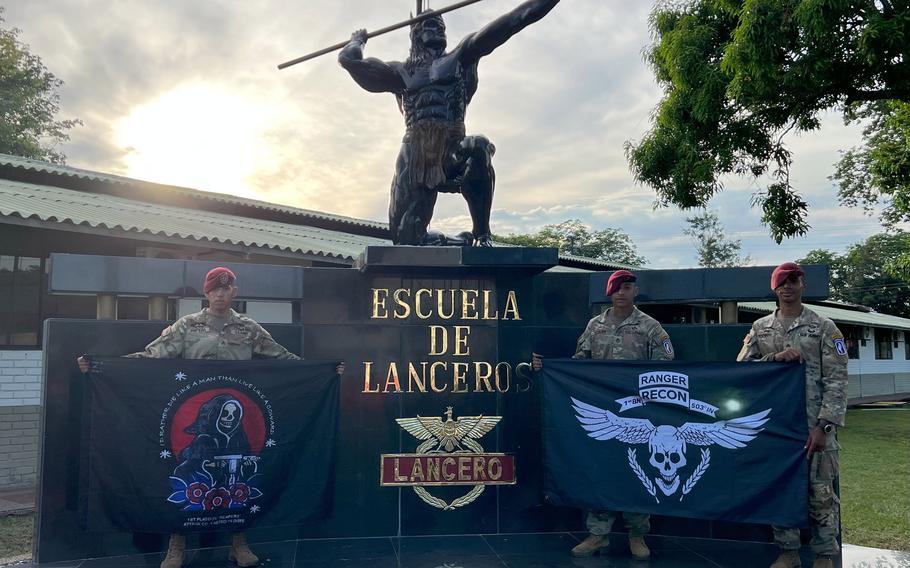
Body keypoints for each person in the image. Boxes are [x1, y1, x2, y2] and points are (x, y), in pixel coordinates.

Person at [77, 267, 344, 568]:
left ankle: (239, 543)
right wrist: (103, 368)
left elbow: (283, 358)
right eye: (215, 289)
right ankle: (176, 545)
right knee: (184, 473)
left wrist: (323, 373)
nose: (220, 294)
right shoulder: (187, 326)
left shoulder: (248, 329)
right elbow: (153, 355)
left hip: (236, 418)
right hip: (197, 416)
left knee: (237, 476)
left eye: (226, 289)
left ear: (234, 292)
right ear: (206, 293)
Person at [338, 0, 560, 247]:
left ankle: (482, 234)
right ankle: (454, 242)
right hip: (416, 153)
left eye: (442, 25)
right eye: (433, 25)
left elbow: (515, 19)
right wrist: (358, 40)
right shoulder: (400, 72)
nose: (440, 29)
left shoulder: (461, 56)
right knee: (406, 239)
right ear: (417, 33)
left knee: (479, 146)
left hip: (453, 147)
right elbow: (350, 61)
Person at [532, 269, 675, 560]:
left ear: (635, 291)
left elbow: (666, 363)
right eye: (617, 288)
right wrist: (549, 368)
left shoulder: (651, 327)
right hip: (604, 414)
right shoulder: (595, 325)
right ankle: (598, 534)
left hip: (638, 414)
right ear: (609, 293)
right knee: (600, 471)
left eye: (628, 287)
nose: (622, 292)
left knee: (638, 473)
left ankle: (638, 534)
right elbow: (579, 363)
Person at [737, 262, 847, 568]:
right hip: (776, 427)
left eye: (793, 280)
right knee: (780, 490)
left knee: (821, 493)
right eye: (782, 282)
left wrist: (824, 427)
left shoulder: (824, 327)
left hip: (813, 425)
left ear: (803, 285)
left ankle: (825, 553)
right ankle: (788, 551)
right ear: (774, 289)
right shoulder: (761, 328)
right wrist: (774, 358)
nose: (788, 286)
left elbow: (837, 380)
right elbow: (740, 368)